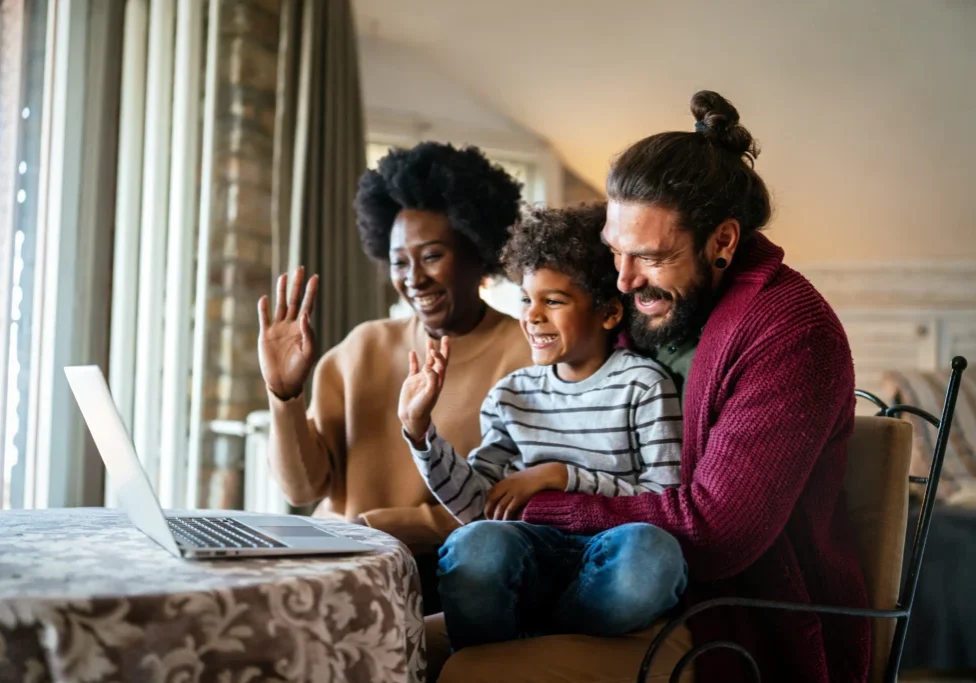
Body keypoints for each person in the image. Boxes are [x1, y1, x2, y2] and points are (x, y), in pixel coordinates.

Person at [512, 91, 870, 683]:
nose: (624, 281)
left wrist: (542, 504)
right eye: (615, 251)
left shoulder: (791, 332)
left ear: (723, 242)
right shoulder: (644, 308)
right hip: (611, 574)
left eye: (650, 258)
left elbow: (716, 532)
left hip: (741, 622)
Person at [398, 204, 688, 650]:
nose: (532, 316)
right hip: (529, 554)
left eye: (553, 301)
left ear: (609, 313)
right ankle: (525, 641)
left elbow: (665, 502)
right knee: (475, 543)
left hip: (611, 551)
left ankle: (539, 634)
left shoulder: (643, 385)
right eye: (526, 299)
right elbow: (479, 507)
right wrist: (420, 433)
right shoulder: (510, 395)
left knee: (653, 555)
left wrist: (560, 476)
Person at [257, 142, 533, 605]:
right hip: (337, 568)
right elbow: (302, 487)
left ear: (477, 252)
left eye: (431, 256)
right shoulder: (362, 347)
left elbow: (511, 508)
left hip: (450, 579)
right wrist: (284, 394)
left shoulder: (524, 355)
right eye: (400, 261)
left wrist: (375, 525)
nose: (413, 279)